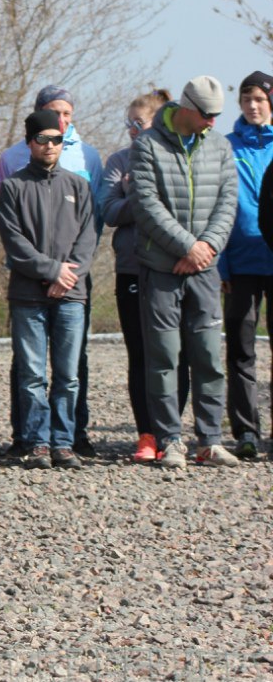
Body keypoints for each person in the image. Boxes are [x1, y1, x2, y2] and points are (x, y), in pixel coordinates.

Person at [130, 76, 238, 469]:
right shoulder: (146, 146)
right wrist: (185, 246)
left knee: (209, 355)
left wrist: (204, 248)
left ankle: (209, 440)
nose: (212, 121)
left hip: (205, 269)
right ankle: (170, 439)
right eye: (207, 114)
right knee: (164, 357)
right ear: (187, 107)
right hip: (160, 269)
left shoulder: (221, 147)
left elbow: (228, 202)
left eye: (217, 116)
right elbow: (145, 204)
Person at [0, 85, 103, 459]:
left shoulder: (79, 186)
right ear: (30, 142)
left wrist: (68, 275)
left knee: (69, 376)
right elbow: (14, 241)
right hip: (28, 295)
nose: (51, 146)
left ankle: (63, 441)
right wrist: (52, 270)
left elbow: (89, 236)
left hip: (72, 295)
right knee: (32, 375)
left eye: (57, 139)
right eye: (43, 139)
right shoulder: (12, 187)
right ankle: (37, 440)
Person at [101, 90, 191, 463]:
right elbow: (108, 209)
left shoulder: (176, 156)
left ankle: (172, 431)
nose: (133, 131)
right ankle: (146, 435)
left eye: (140, 124)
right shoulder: (118, 161)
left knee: (175, 353)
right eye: (130, 124)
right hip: (131, 268)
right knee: (139, 353)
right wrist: (143, 202)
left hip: (173, 268)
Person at [219, 71, 273, 460]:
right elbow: (215, 206)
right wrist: (219, 263)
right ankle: (247, 432)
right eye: (246, 99)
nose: (252, 106)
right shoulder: (224, 148)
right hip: (238, 263)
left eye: (259, 99)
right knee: (240, 351)